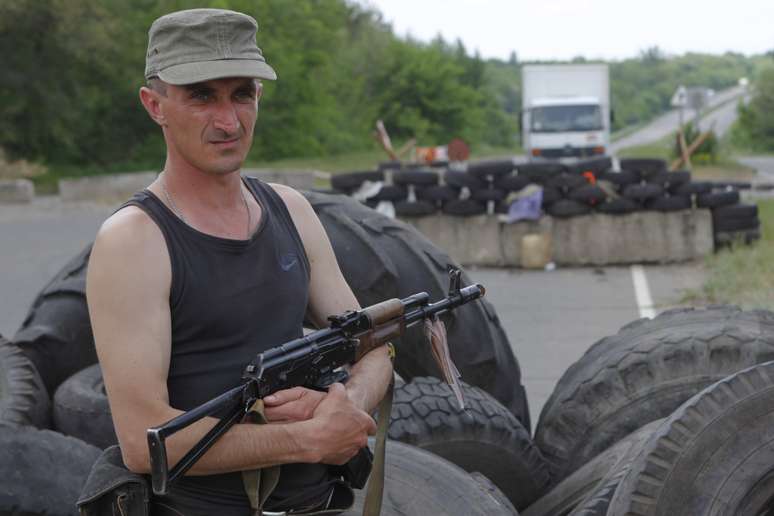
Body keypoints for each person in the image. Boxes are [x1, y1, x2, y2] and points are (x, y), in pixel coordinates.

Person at [86, 8, 393, 516]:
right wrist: (307, 439)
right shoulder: (135, 240)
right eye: (201, 96)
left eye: (242, 94)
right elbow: (144, 442)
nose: (228, 121)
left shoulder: (290, 210)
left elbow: (374, 346)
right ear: (154, 105)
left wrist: (345, 404)